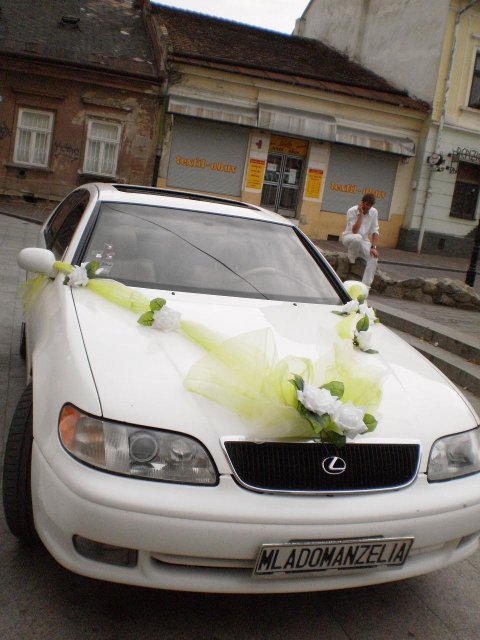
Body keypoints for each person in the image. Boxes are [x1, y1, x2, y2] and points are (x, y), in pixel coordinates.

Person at [341, 193, 379, 288]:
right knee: (357, 238)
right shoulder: (352, 211)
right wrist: (361, 214)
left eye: (370, 206)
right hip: (349, 237)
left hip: (364, 240)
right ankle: (352, 258)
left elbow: (375, 230)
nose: (368, 207)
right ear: (362, 203)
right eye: (366, 204)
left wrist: (373, 247)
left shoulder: (374, 212)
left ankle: (366, 286)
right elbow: (354, 231)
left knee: (374, 257)